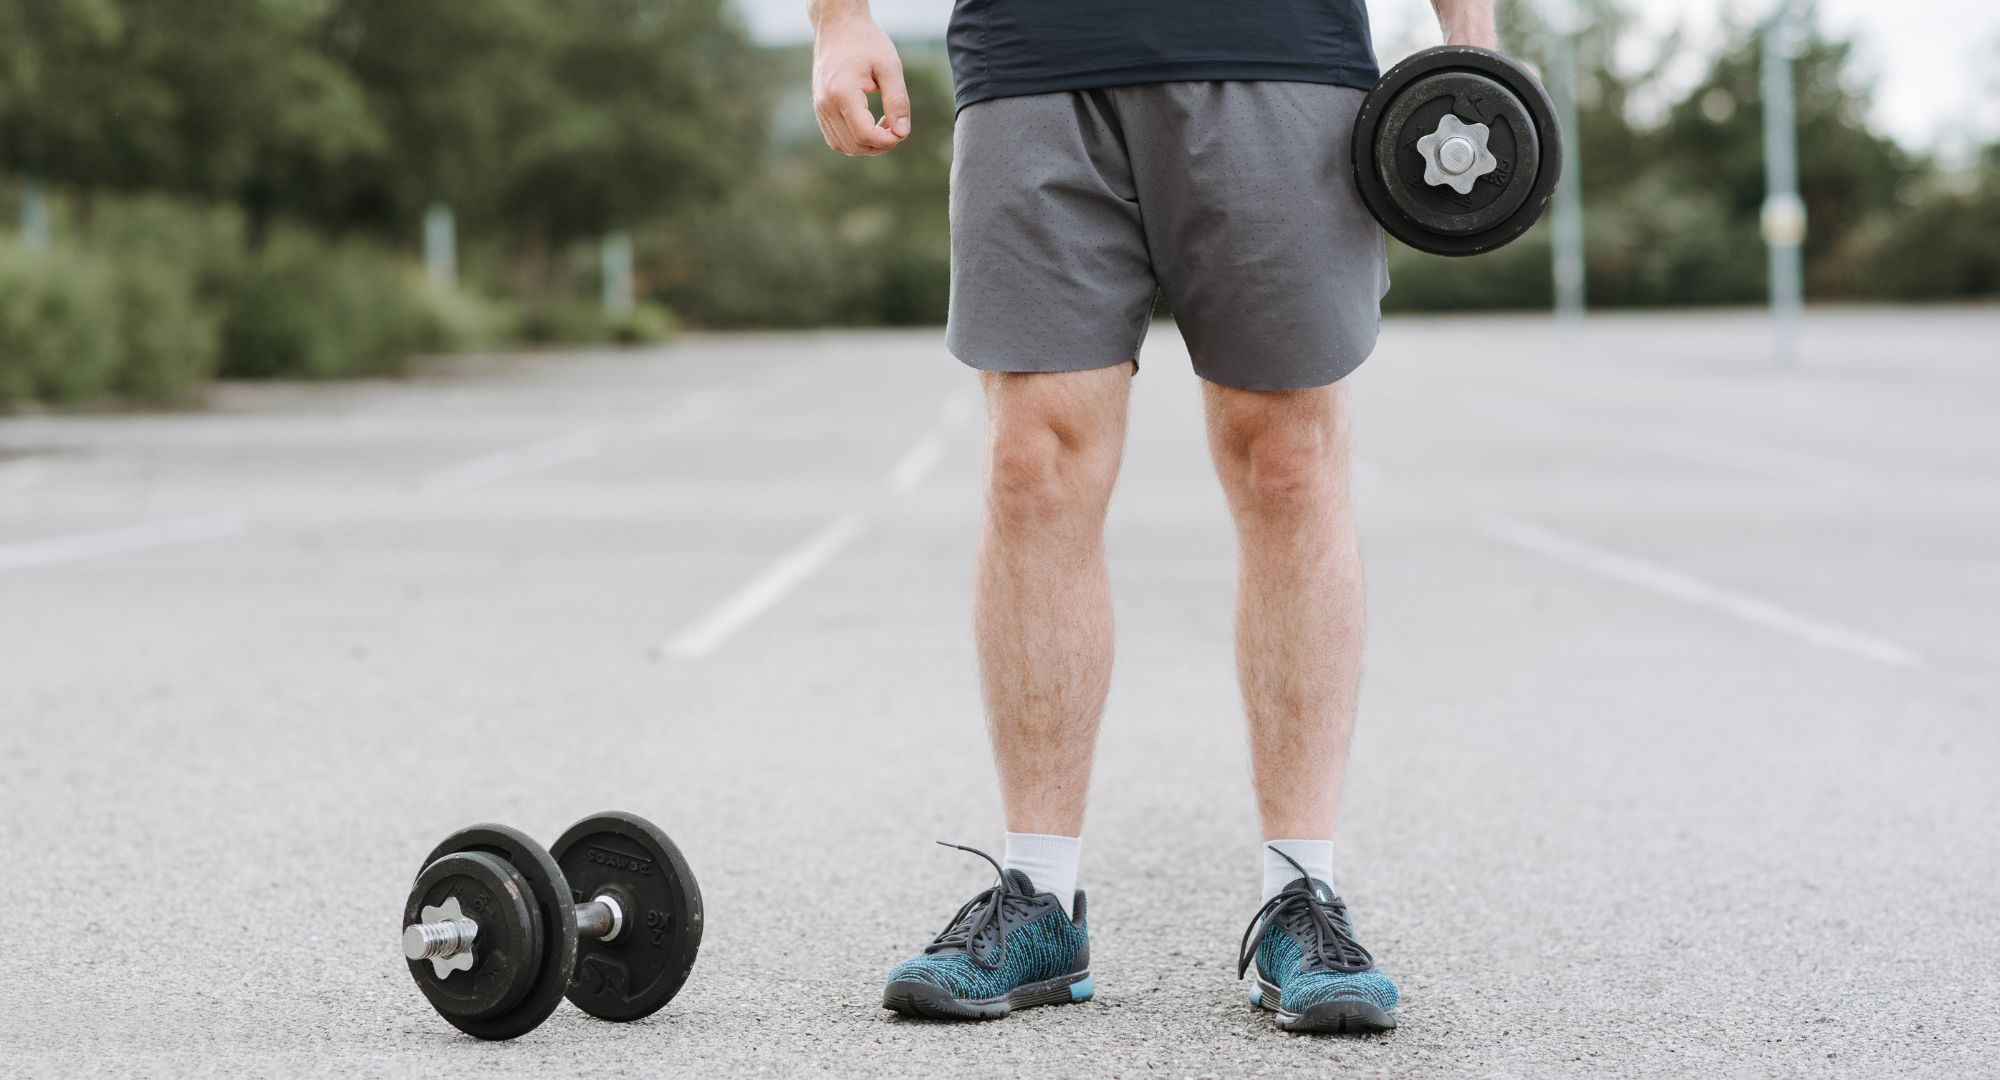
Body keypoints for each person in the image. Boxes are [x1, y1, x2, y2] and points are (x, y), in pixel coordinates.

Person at [809, 0, 1496, 1034]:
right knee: (1031, 462)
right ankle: (1036, 901)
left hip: (1279, 53)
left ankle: (1299, 894)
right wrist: (838, 16)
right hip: (1033, 52)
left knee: (1287, 463)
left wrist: (1467, 31)